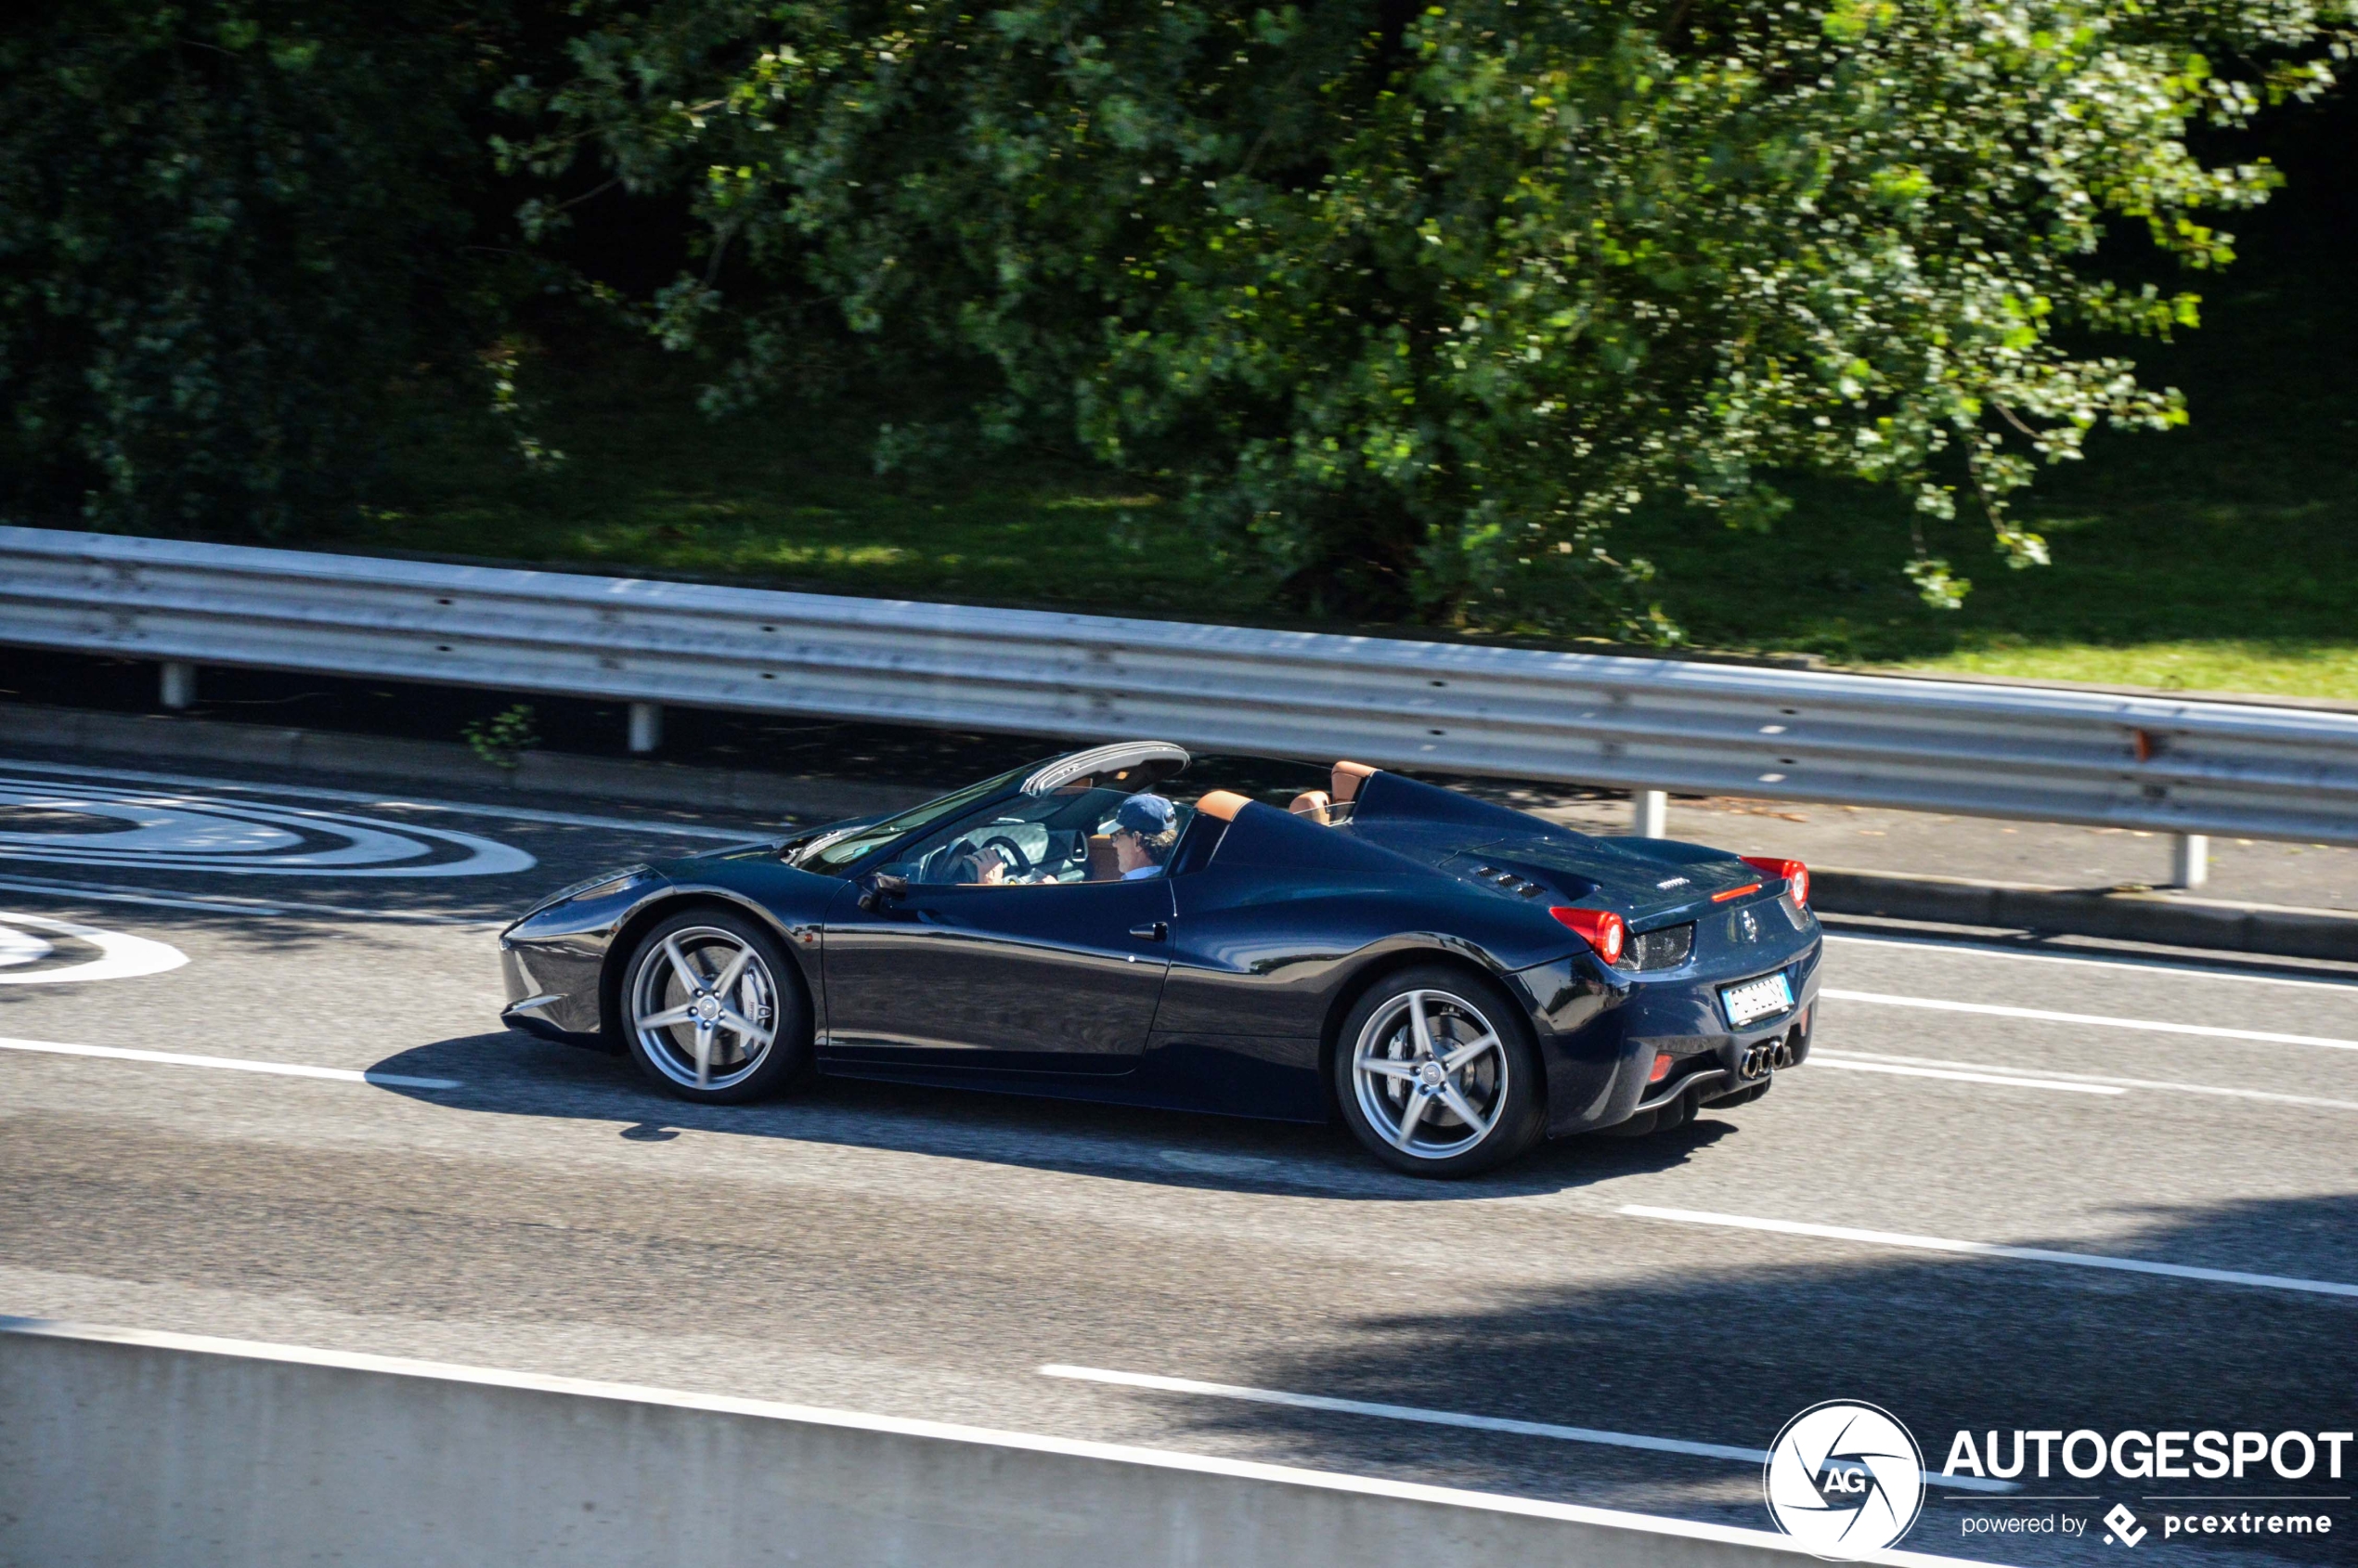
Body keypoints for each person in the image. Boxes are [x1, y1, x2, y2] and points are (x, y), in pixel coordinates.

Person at [1106, 793, 1177, 879]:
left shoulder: (1132, 889)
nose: (1114, 844)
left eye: (1116, 835)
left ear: (1137, 841)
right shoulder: (1177, 877)